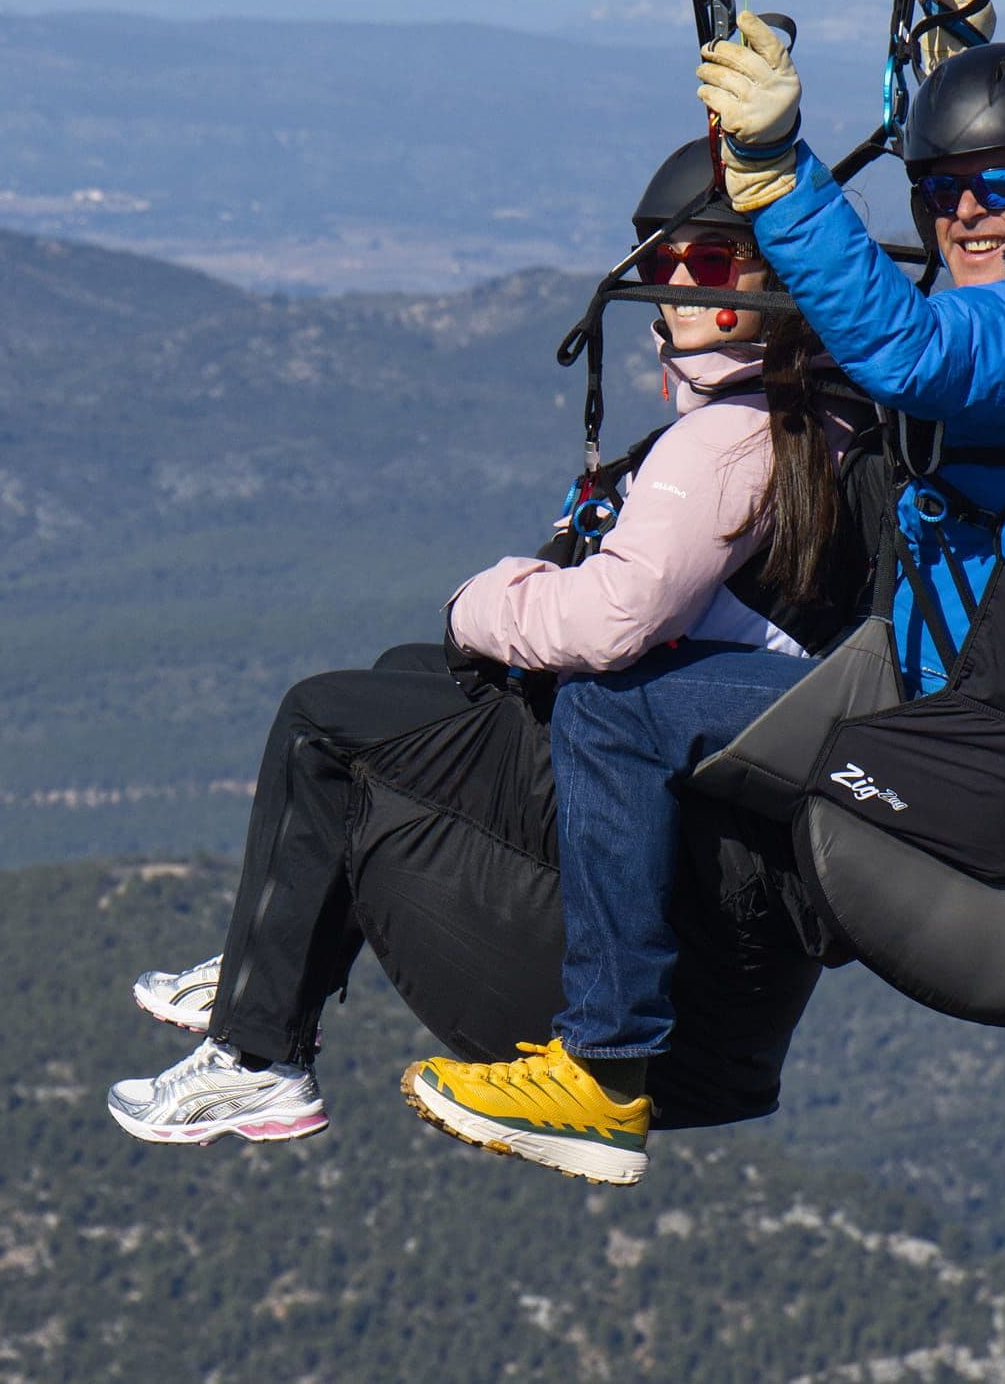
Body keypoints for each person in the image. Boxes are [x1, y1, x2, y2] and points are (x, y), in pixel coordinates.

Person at [450, 14, 1005, 1155]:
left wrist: (773, 169)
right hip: (985, 711)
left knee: (616, 708)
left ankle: (605, 1068)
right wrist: (949, 61)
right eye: (942, 189)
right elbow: (964, 314)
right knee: (686, 686)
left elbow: (915, 350)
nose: (968, 212)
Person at [107, 142, 865, 1185]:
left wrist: (482, 603)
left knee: (323, 721)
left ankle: (258, 1054)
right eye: (665, 258)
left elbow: (614, 619)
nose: (679, 282)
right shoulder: (826, 410)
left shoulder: (727, 442)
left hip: (636, 772)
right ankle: (269, 966)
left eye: (709, 261)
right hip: (705, 775)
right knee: (401, 677)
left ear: (773, 281)